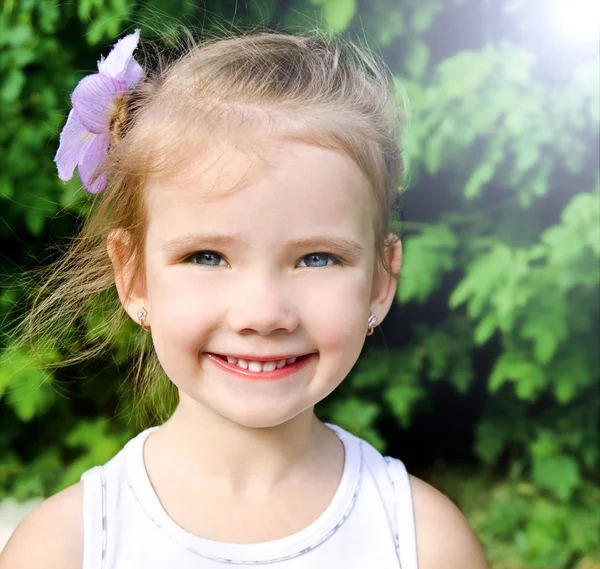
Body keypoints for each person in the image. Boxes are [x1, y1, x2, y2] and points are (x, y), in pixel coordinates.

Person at [0, 29, 488, 569]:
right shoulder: (65, 548)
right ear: (134, 278)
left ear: (379, 282)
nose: (262, 314)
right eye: (207, 256)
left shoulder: (424, 542)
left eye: (317, 258)